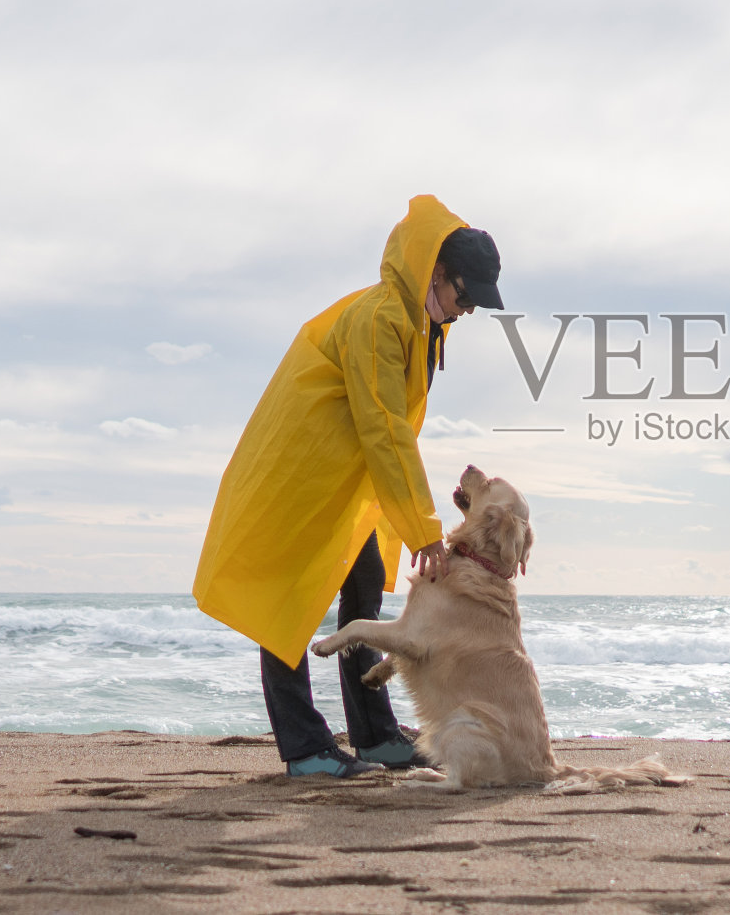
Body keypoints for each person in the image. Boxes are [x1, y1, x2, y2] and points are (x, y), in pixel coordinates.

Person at [193, 195, 504, 777]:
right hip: (298, 476)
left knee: (362, 590)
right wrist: (423, 527)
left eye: (476, 304)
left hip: (343, 481)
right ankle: (306, 749)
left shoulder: (419, 322)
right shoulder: (381, 318)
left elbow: (389, 433)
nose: (467, 311)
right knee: (287, 603)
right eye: (465, 295)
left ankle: (375, 734)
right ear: (436, 273)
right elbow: (385, 428)